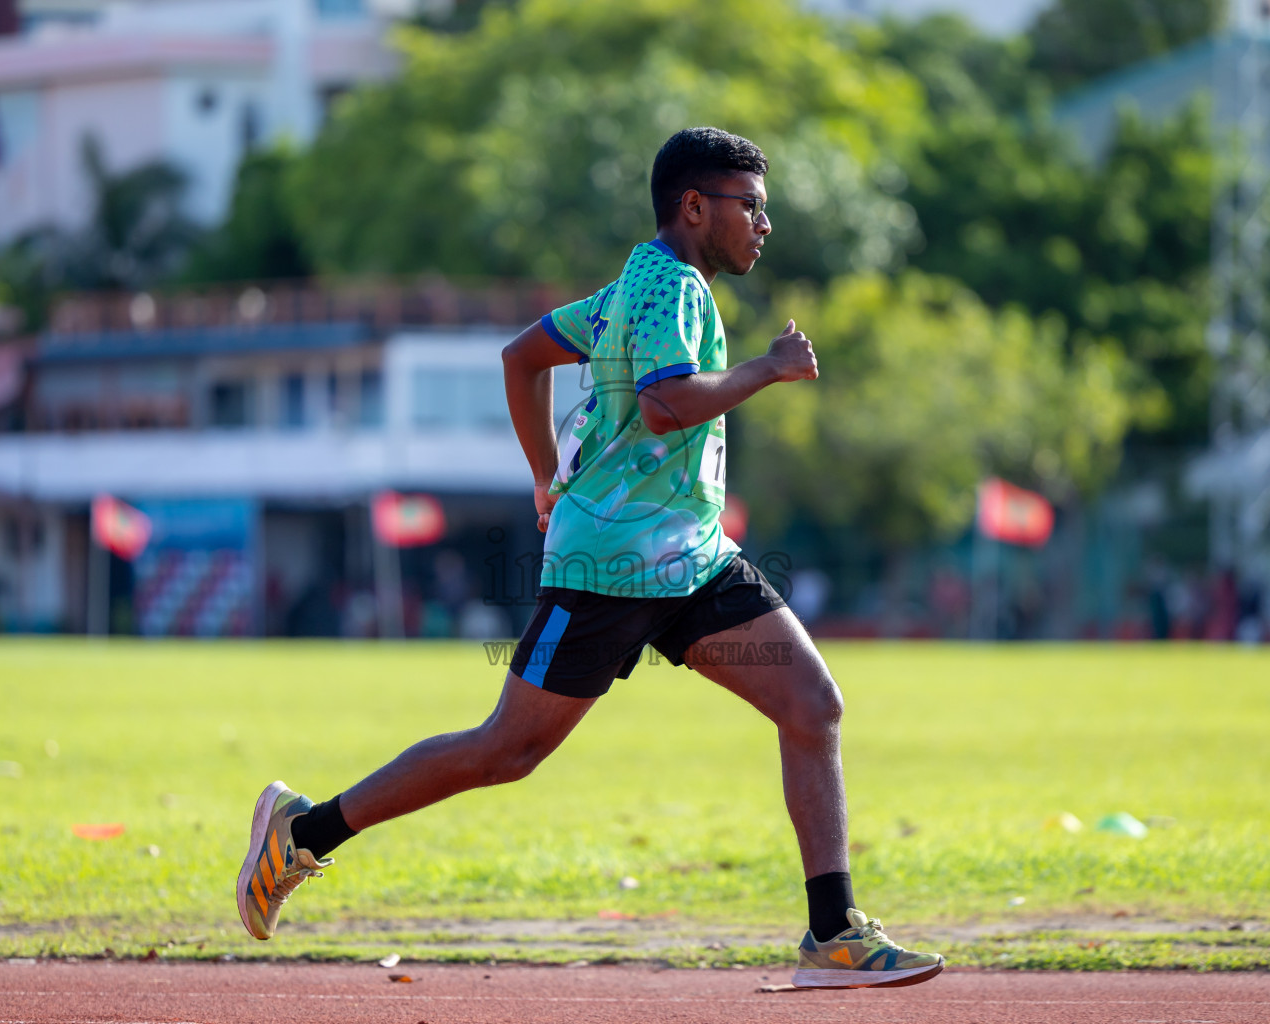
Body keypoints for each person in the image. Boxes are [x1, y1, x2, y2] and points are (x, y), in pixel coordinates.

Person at [235, 127, 945, 990]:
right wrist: (769, 367)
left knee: (812, 703)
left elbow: (522, 355)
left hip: (690, 558)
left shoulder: (628, 289)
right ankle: (303, 834)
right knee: (505, 751)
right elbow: (665, 406)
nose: (765, 223)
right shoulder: (674, 288)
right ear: (694, 207)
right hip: (609, 568)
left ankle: (833, 932)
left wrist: (543, 476)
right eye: (751, 206)